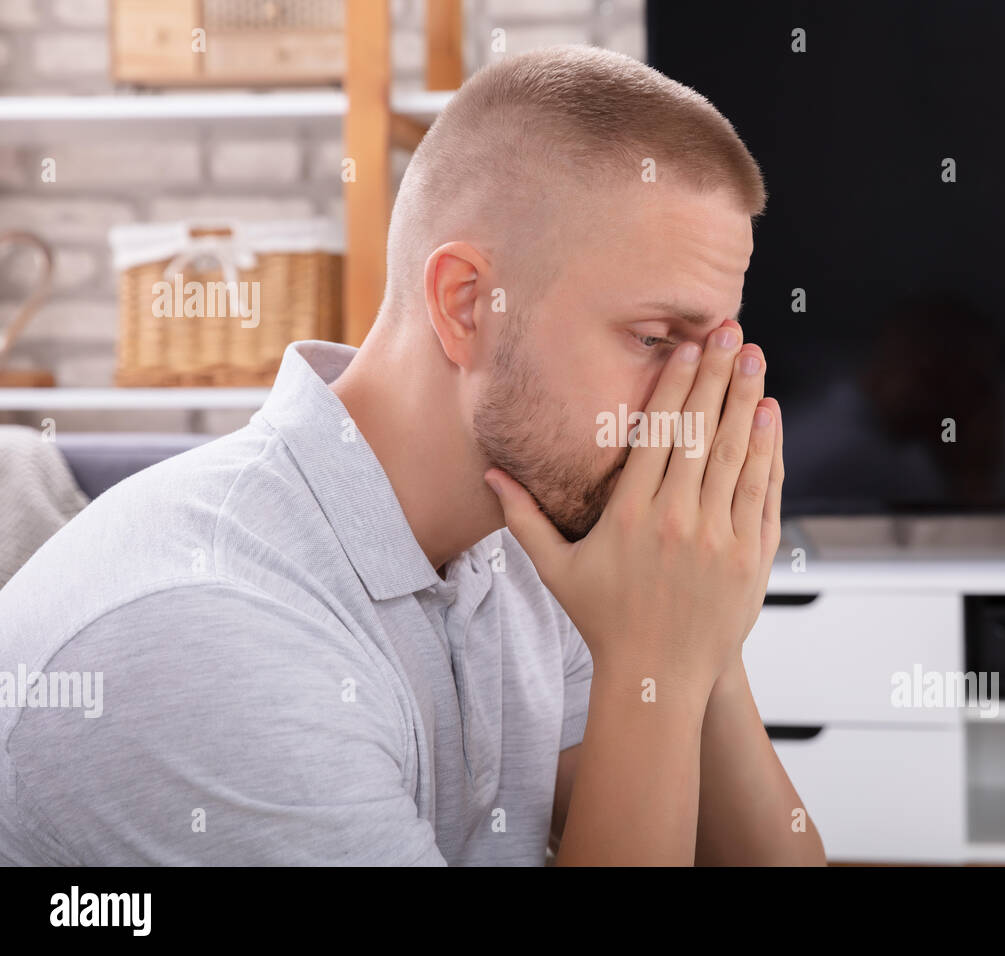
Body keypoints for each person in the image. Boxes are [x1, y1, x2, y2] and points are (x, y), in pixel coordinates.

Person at [0, 45, 825, 866]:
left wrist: (701, 645)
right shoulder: (207, 630)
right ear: (467, 305)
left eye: (715, 353)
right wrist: (659, 658)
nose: (696, 411)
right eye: (655, 341)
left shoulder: (533, 544)